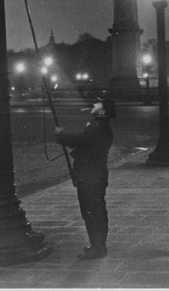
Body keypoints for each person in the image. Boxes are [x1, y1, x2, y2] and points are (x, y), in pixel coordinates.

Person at [55, 96, 116, 260]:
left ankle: (98, 248)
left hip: (90, 175)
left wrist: (61, 135)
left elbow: (79, 140)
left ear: (102, 110)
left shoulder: (98, 127)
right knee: (94, 211)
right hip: (93, 174)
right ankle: (97, 244)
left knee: (92, 212)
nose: (94, 104)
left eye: (98, 103)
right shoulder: (101, 126)